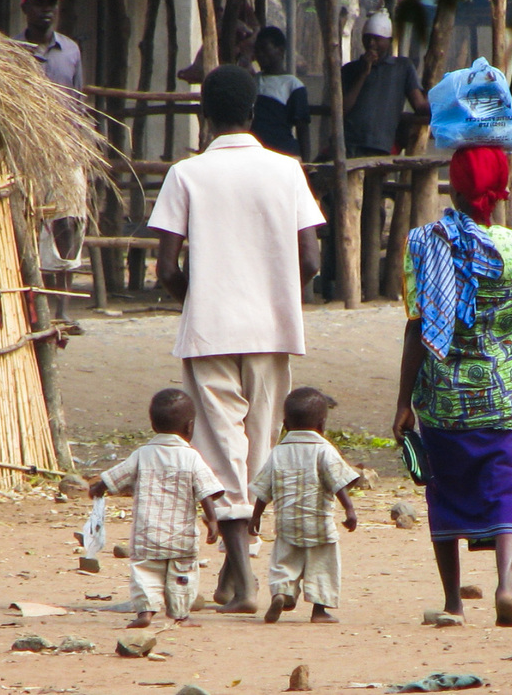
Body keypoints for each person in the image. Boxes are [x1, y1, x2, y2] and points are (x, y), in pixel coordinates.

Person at [148, 64, 325, 615]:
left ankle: (241, 575)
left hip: (210, 328)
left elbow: (166, 267)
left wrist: (198, 300)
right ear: (255, 112)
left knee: (221, 444)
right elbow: (312, 260)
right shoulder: (287, 171)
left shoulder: (187, 174)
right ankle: (239, 568)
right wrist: (278, 295)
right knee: (261, 443)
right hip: (272, 327)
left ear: (204, 115)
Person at [392, 145, 512, 628]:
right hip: (501, 396)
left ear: (453, 190)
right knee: (505, 489)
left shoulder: (423, 243)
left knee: (443, 492)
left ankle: (454, 602)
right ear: (501, 193)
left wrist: (403, 403)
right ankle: (505, 584)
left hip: (442, 400)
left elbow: (417, 328)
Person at [88, 389, 224, 628]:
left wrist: (99, 488)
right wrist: (212, 520)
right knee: (183, 576)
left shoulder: (143, 454)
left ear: (152, 424)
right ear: (190, 426)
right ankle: (181, 614)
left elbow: (115, 479)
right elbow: (205, 492)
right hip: (181, 536)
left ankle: (146, 612)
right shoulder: (192, 458)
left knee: (145, 574)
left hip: (147, 533)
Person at [249, 387, 359, 624]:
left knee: (283, 561)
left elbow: (263, 489)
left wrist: (255, 517)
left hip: (287, 523)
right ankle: (319, 611)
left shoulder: (277, 452)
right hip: (318, 523)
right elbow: (338, 482)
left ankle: (281, 592)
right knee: (322, 566)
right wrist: (349, 510)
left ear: (286, 424)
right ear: (322, 425)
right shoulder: (324, 450)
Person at [15, 0, 86, 323]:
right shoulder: (11, 50)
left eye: (52, 3)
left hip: (66, 151)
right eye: (40, 3)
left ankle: (62, 308)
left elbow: (79, 102)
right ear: (25, 8)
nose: (47, 10)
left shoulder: (70, 50)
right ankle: (36, 302)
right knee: (28, 221)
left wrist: (83, 146)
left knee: (67, 221)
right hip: (27, 151)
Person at [341, 10, 430, 157]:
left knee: (372, 179)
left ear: (388, 41)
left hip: (379, 145)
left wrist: (448, 109)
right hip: (349, 143)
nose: (371, 44)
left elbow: (419, 104)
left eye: (377, 39)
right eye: (367, 38)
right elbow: (343, 108)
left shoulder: (402, 67)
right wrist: (363, 74)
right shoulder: (350, 70)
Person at [251, 26, 312, 162]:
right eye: (257, 50)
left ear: (280, 51)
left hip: (282, 154)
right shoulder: (253, 82)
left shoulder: (293, 85)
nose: (259, 55)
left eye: (265, 50)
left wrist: (306, 164)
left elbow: (302, 129)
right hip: (256, 154)